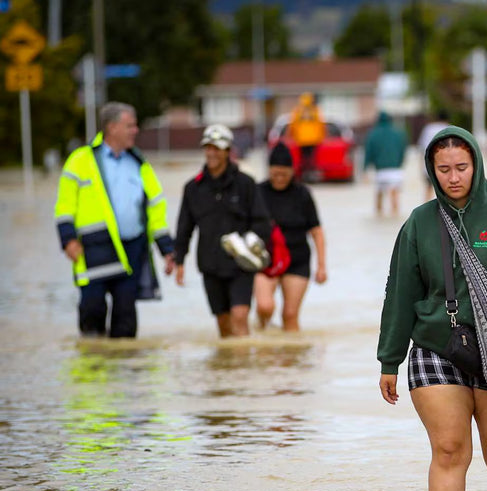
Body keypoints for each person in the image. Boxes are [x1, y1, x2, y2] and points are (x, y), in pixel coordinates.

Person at [377, 126, 487, 491]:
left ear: (476, 165)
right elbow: (400, 293)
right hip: (436, 346)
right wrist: (389, 360)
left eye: (461, 167)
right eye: (443, 169)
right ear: (431, 170)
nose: (453, 177)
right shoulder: (419, 222)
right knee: (449, 450)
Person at [54, 102, 175, 338]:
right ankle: (94, 366)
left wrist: (167, 249)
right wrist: (68, 240)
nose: (135, 130)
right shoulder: (81, 160)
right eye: (130, 125)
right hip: (93, 250)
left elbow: (156, 209)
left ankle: (124, 370)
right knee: (93, 311)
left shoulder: (139, 164)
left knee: (125, 321)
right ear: (112, 128)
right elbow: (64, 206)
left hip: (131, 251)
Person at [174, 124, 271, 338]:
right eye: (208, 148)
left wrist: (251, 245)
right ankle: (228, 368)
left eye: (216, 148)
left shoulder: (246, 184)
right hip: (210, 265)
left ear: (228, 151)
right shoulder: (193, 188)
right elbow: (185, 227)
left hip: (240, 265)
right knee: (224, 324)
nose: (211, 153)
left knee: (239, 316)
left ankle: (243, 366)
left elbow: (262, 222)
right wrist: (179, 260)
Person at [255, 142, 328, 331]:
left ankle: (291, 358)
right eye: (275, 173)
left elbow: (316, 231)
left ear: (292, 171)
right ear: (269, 170)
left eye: (284, 174)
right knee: (265, 306)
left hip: (297, 260)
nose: (279, 178)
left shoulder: (302, 194)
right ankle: (262, 344)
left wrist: (321, 266)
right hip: (265, 260)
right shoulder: (257, 192)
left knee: (290, 315)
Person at [363, 111, 409, 217]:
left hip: (381, 171)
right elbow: (403, 150)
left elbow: (368, 153)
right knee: (395, 196)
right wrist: (400, 163)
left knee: (379, 195)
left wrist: (365, 169)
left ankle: (379, 215)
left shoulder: (373, 134)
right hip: (396, 170)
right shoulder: (399, 133)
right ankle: (395, 217)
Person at [288, 92, 325, 180]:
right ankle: (311, 173)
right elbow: (320, 124)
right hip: (313, 139)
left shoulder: (297, 111)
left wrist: (292, 135)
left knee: (304, 157)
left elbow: (293, 124)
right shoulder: (315, 110)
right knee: (312, 157)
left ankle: (304, 174)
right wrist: (321, 136)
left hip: (301, 139)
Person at [417, 109, 451, 201]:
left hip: (430, 162)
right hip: (446, 163)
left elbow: (422, 147)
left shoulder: (428, 128)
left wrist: (421, 165)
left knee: (428, 188)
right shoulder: (448, 128)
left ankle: (426, 206)